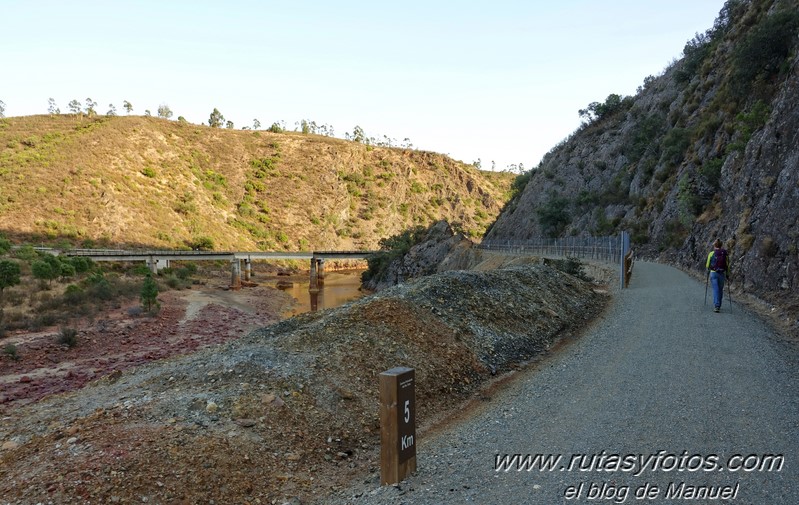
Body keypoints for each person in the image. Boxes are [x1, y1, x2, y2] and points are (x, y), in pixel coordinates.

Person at [706, 239, 730, 313]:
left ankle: (716, 306)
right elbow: (727, 265)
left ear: (715, 245)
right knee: (720, 289)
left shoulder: (711, 253)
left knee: (715, 289)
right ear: (721, 245)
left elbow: (707, 265)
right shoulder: (725, 254)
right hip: (722, 273)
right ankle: (719, 305)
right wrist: (727, 274)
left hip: (713, 273)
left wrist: (708, 270)